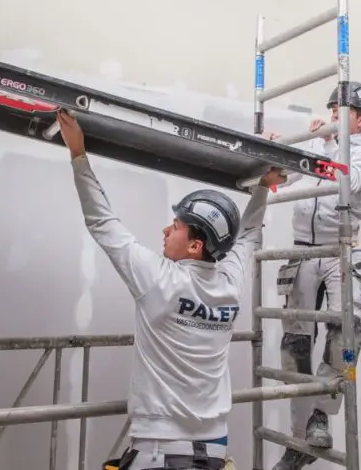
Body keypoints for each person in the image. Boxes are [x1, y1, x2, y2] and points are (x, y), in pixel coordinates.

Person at [54, 109, 286, 470]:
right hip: (214, 450)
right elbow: (249, 234)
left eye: (176, 226)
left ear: (195, 245)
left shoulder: (159, 279)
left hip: (161, 452)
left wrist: (78, 153)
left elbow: (102, 221)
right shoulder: (229, 282)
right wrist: (263, 186)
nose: (165, 230)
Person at [265, 82, 361, 470]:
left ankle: (320, 414)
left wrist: (331, 144)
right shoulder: (318, 142)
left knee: (345, 333)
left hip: (340, 251)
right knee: (295, 344)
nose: (334, 113)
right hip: (303, 250)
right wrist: (276, 151)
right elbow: (283, 178)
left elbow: (351, 181)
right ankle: (299, 438)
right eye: (332, 108)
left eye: (342, 110)